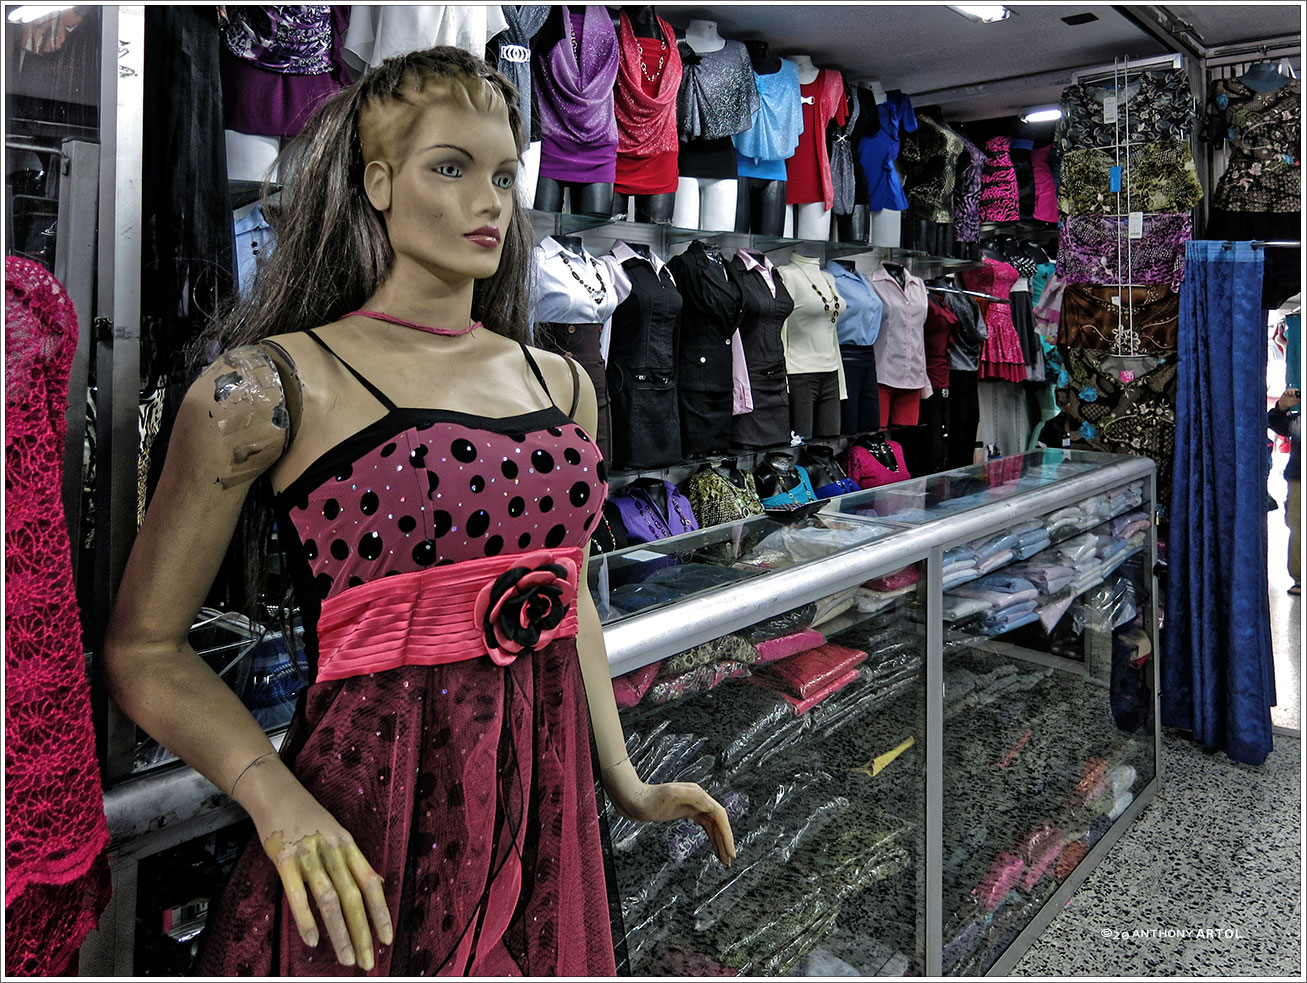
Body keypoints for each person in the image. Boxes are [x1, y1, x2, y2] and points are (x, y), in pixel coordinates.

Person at [102, 47, 734, 977]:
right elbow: (142, 648)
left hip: (543, 795)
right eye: (451, 168)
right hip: (372, 804)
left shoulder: (561, 382)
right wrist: (271, 794)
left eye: (505, 176)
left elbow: (564, 593)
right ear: (378, 183)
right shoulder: (271, 385)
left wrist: (623, 778)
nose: (490, 202)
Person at [1268, 386, 1301, 595]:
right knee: (1298, 527)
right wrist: (1282, 407)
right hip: (1299, 478)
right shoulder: (1300, 418)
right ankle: (1300, 578)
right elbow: (1276, 423)